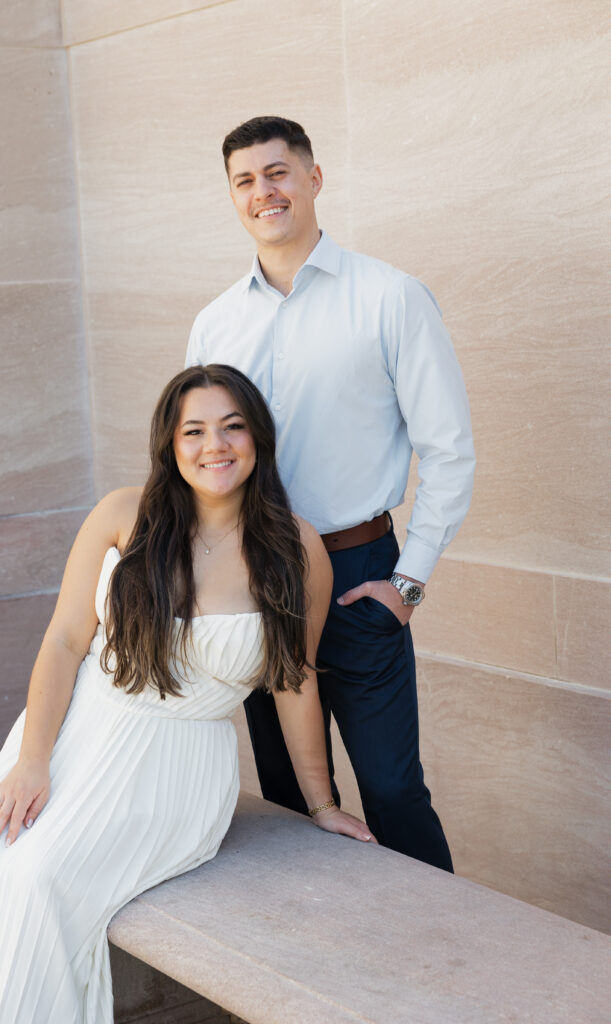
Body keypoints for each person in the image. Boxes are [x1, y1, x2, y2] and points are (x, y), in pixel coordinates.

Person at [0, 364, 373, 1024]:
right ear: (170, 444)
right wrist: (32, 760)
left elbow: (295, 678)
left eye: (232, 427)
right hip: (77, 733)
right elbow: (62, 643)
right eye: (193, 430)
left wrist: (322, 803)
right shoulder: (121, 514)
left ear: (257, 438)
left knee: (36, 882)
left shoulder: (295, 546)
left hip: (176, 770)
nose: (214, 446)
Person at [186, 116, 475, 872]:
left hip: (356, 576)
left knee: (390, 789)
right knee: (287, 797)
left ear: (313, 179)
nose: (263, 191)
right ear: (231, 197)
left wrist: (406, 581)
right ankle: (320, 976)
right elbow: (194, 458)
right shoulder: (214, 323)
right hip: (248, 577)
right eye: (245, 180)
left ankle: (445, 960)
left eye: (278, 173)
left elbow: (448, 451)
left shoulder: (389, 297)